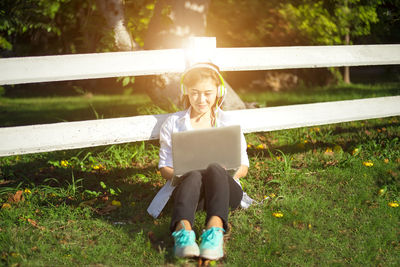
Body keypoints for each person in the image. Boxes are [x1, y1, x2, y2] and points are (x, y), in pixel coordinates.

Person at [151, 62, 251, 260]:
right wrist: (181, 175)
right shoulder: (173, 123)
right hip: (191, 191)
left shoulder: (229, 122)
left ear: (219, 92)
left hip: (225, 190)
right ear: (185, 91)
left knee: (214, 168)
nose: (201, 99)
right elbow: (164, 168)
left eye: (207, 93)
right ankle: (183, 233)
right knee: (194, 173)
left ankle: (214, 231)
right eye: (195, 93)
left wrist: (225, 172)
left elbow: (244, 166)